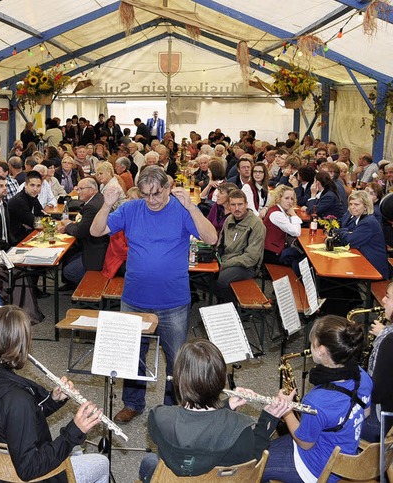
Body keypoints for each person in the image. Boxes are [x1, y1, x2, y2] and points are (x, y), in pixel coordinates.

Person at [90, 165, 218, 423]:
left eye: (157, 193)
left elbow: (211, 237)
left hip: (174, 301)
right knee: (133, 356)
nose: (152, 200)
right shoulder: (131, 209)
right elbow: (96, 231)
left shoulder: (181, 210)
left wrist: (192, 207)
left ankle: (172, 408)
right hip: (135, 299)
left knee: (176, 360)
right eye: (146, 194)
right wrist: (106, 205)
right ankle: (133, 403)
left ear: (168, 187)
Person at [0, 305, 109, 483]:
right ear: (21, 345)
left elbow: (10, 419)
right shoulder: (18, 400)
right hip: (25, 476)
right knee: (101, 463)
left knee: (75, 451)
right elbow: (29, 469)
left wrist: (52, 400)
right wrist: (74, 431)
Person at [139, 339, 290, 481]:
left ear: (179, 380)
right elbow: (251, 463)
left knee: (149, 461)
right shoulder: (240, 430)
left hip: (170, 479)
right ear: (220, 381)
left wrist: (226, 405)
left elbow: (193, 428)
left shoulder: (158, 417)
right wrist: (267, 420)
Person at [262, 315, 372, 483]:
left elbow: (305, 443)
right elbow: (365, 412)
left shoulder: (316, 400)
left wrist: (287, 410)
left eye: (312, 343)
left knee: (256, 463)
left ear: (321, 350)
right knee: (268, 447)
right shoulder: (362, 376)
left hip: (317, 469)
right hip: (346, 457)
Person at [215, 189, 266, 303]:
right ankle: (219, 307)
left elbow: (251, 258)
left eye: (240, 204)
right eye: (233, 205)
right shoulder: (229, 219)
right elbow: (221, 244)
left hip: (246, 266)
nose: (237, 208)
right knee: (205, 275)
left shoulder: (256, 224)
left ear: (246, 204)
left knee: (222, 279)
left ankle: (230, 310)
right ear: (228, 206)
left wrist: (225, 264)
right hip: (227, 260)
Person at [58, 178, 109, 287]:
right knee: (69, 257)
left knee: (69, 271)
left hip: (98, 251)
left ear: (93, 190)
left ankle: (92, 289)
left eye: (81, 189)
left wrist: (67, 225)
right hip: (101, 245)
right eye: (77, 188)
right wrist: (71, 225)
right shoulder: (99, 199)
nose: (78, 191)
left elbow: (79, 232)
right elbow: (84, 225)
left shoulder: (91, 207)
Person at [361, 281, 393, 442]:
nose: (383, 300)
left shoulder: (389, 341)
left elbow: (376, 394)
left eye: (388, 297)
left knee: (331, 419)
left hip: (384, 422)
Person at [337, 190, 389, 279]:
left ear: (365, 206)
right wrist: (344, 233)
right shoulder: (362, 219)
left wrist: (341, 234)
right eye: (351, 204)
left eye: (356, 204)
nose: (352, 207)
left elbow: (350, 241)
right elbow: (350, 231)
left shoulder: (368, 222)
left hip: (374, 269)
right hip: (364, 262)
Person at [263, 185, 304, 270]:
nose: (290, 202)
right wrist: (293, 214)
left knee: (299, 254)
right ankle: (298, 281)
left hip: (276, 248)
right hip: (271, 252)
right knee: (299, 258)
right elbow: (296, 232)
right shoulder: (276, 214)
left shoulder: (279, 211)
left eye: (292, 199)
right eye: (286, 198)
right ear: (279, 198)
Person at [8, 170, 44, 244]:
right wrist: (35, 222)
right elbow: (35, 223)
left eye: (38, 186)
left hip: (28, 235)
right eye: (32, 185)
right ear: (25, 185)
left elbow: (42, 215)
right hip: (17, 241)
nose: (35, 189)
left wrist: (35, 222)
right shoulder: (19, 201)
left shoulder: (32, 197)